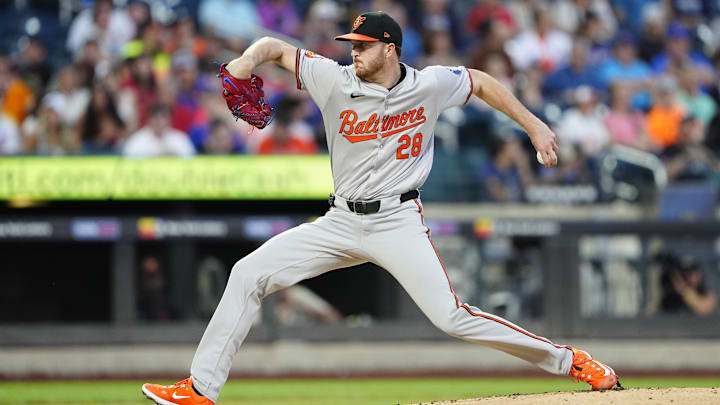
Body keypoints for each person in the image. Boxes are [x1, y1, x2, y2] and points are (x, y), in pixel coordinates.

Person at [141, 12, 619, 405]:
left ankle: (568, 361)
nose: (353, 52)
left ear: (390, 48)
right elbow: (274, 46)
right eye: (351, 43)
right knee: (248, 274)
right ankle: (202, 389)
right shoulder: (332, 79)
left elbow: (481, 82)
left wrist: (534, 126)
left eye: (363, 45)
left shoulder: (429, 85)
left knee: (451, 316)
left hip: (398, 221)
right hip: (341, 219)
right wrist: (245, 62)